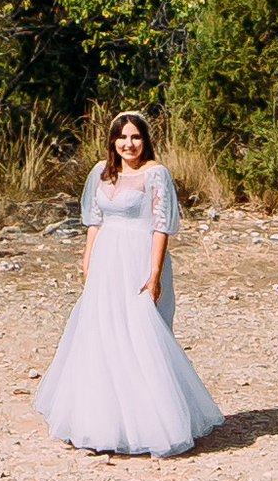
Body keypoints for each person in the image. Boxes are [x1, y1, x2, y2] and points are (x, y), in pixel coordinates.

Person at [32, 110, 224, 457]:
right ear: (113, 141)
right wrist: (87, 262)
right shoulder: (101, 172)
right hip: (106, 262)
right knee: (102, 333)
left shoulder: (156, 174)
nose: (129, 144)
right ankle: (101, 422)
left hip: (139, 260)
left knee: (142, 334)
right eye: (122, 137)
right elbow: (94, 221)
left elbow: (161, 226)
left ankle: (154, 422)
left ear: (145, 140)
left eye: (135, 137)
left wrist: (154, 274)